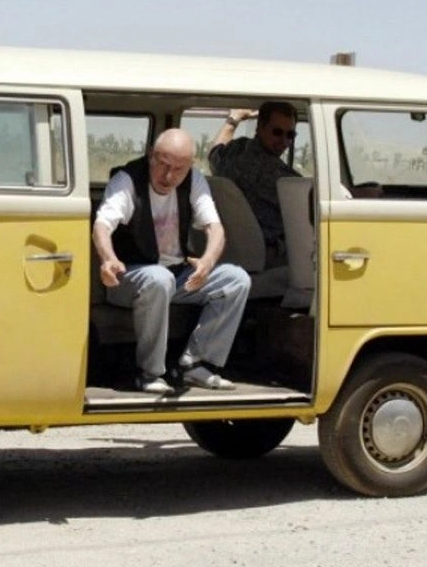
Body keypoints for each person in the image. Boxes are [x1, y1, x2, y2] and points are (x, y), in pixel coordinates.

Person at [92, 127, 251, 394]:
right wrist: (108, 260)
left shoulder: (194, 180)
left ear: (190, 165)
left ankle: (196, 364)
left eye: (178, 169)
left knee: (236, 280)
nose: (169, 176)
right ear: (150, 155)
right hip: (129, 277)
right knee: (159, 278)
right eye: (163, 165)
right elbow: (102, 225)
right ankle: (149, 373)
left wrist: (207, 262)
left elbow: (215, 228)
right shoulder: (127, 180)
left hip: (176, 274)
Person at [207, 102, 301, 269]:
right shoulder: (282, 178)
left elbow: (214, 153)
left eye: (290, 135)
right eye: (277, 132)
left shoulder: (236, 150)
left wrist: (233, 120)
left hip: (229, 249)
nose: (284, 141)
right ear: (260, 128)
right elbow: (311, 204)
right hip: (269, 255)